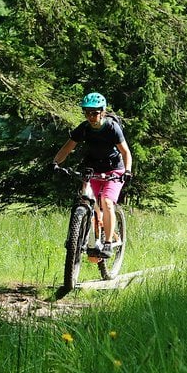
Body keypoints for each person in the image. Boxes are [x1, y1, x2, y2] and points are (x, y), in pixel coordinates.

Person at [51, 91, 133, 258]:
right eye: (87, 112)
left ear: (102, 112)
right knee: (85, 200)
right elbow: (67, 148)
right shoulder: (84, 128)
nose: (90, 116)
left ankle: (108, 243)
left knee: (107, 201)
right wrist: (55, 163)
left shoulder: (111, 127)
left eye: (94, 112)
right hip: (92, 169)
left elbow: (125, 152)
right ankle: (80, 237)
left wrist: (127, 171)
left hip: (114, 170)